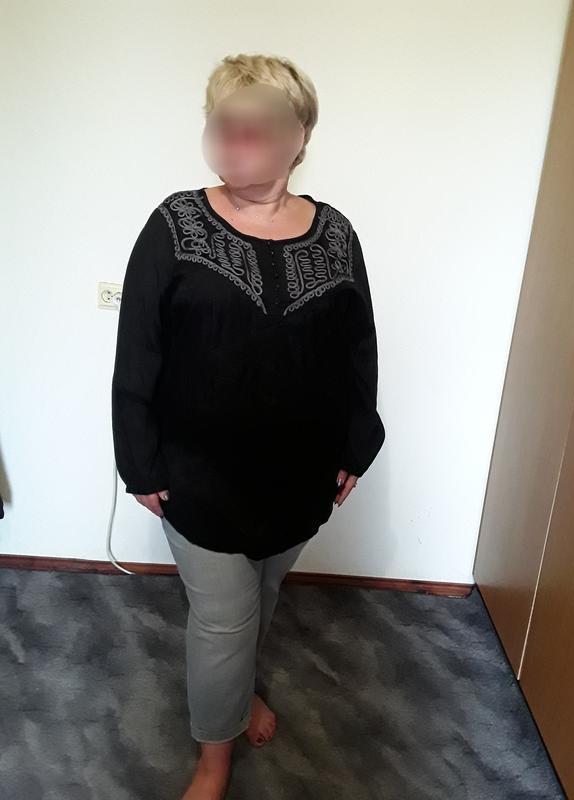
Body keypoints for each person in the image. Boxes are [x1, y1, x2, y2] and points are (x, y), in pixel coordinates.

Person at [111, 53, 385, 800]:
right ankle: (214, 759)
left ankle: (236, 697)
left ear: (300, 137)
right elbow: (138, 349)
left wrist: (357, 442)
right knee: (224, 619)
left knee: (260, 599)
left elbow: (357, 348)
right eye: (223, 123)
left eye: (257, 126)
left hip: (301, 470)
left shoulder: (336, 234)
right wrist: (140, 461)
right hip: (199, 473)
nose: (237, 139)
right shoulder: (175, 224)